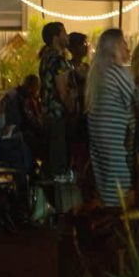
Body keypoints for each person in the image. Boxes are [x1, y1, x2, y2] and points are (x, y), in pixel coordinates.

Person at [86, 29, 135, 207]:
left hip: (99, 138)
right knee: (118, 185)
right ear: (114, 47)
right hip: (113, 139)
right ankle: (116, 226)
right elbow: (133, 101)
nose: (128, 48)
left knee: (105, 181)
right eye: (124, 44)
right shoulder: (117, 73)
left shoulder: (98, 74)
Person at [38, 21, 74, 177]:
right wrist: (71, 108)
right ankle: (59, 196)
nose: (67, 37)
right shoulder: (57, 60)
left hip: (48, 114)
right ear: (55, 37)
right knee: (58, 159)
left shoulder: (46, 58)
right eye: (64, 33)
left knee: (51, 156)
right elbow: (62, 89)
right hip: (58, 115)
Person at [67, 32, 90, 172]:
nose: (86, 47)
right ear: (74, 48)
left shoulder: (86, 67)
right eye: (83, 44)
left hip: (87, 111)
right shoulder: (68, 67)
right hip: (75, 113)